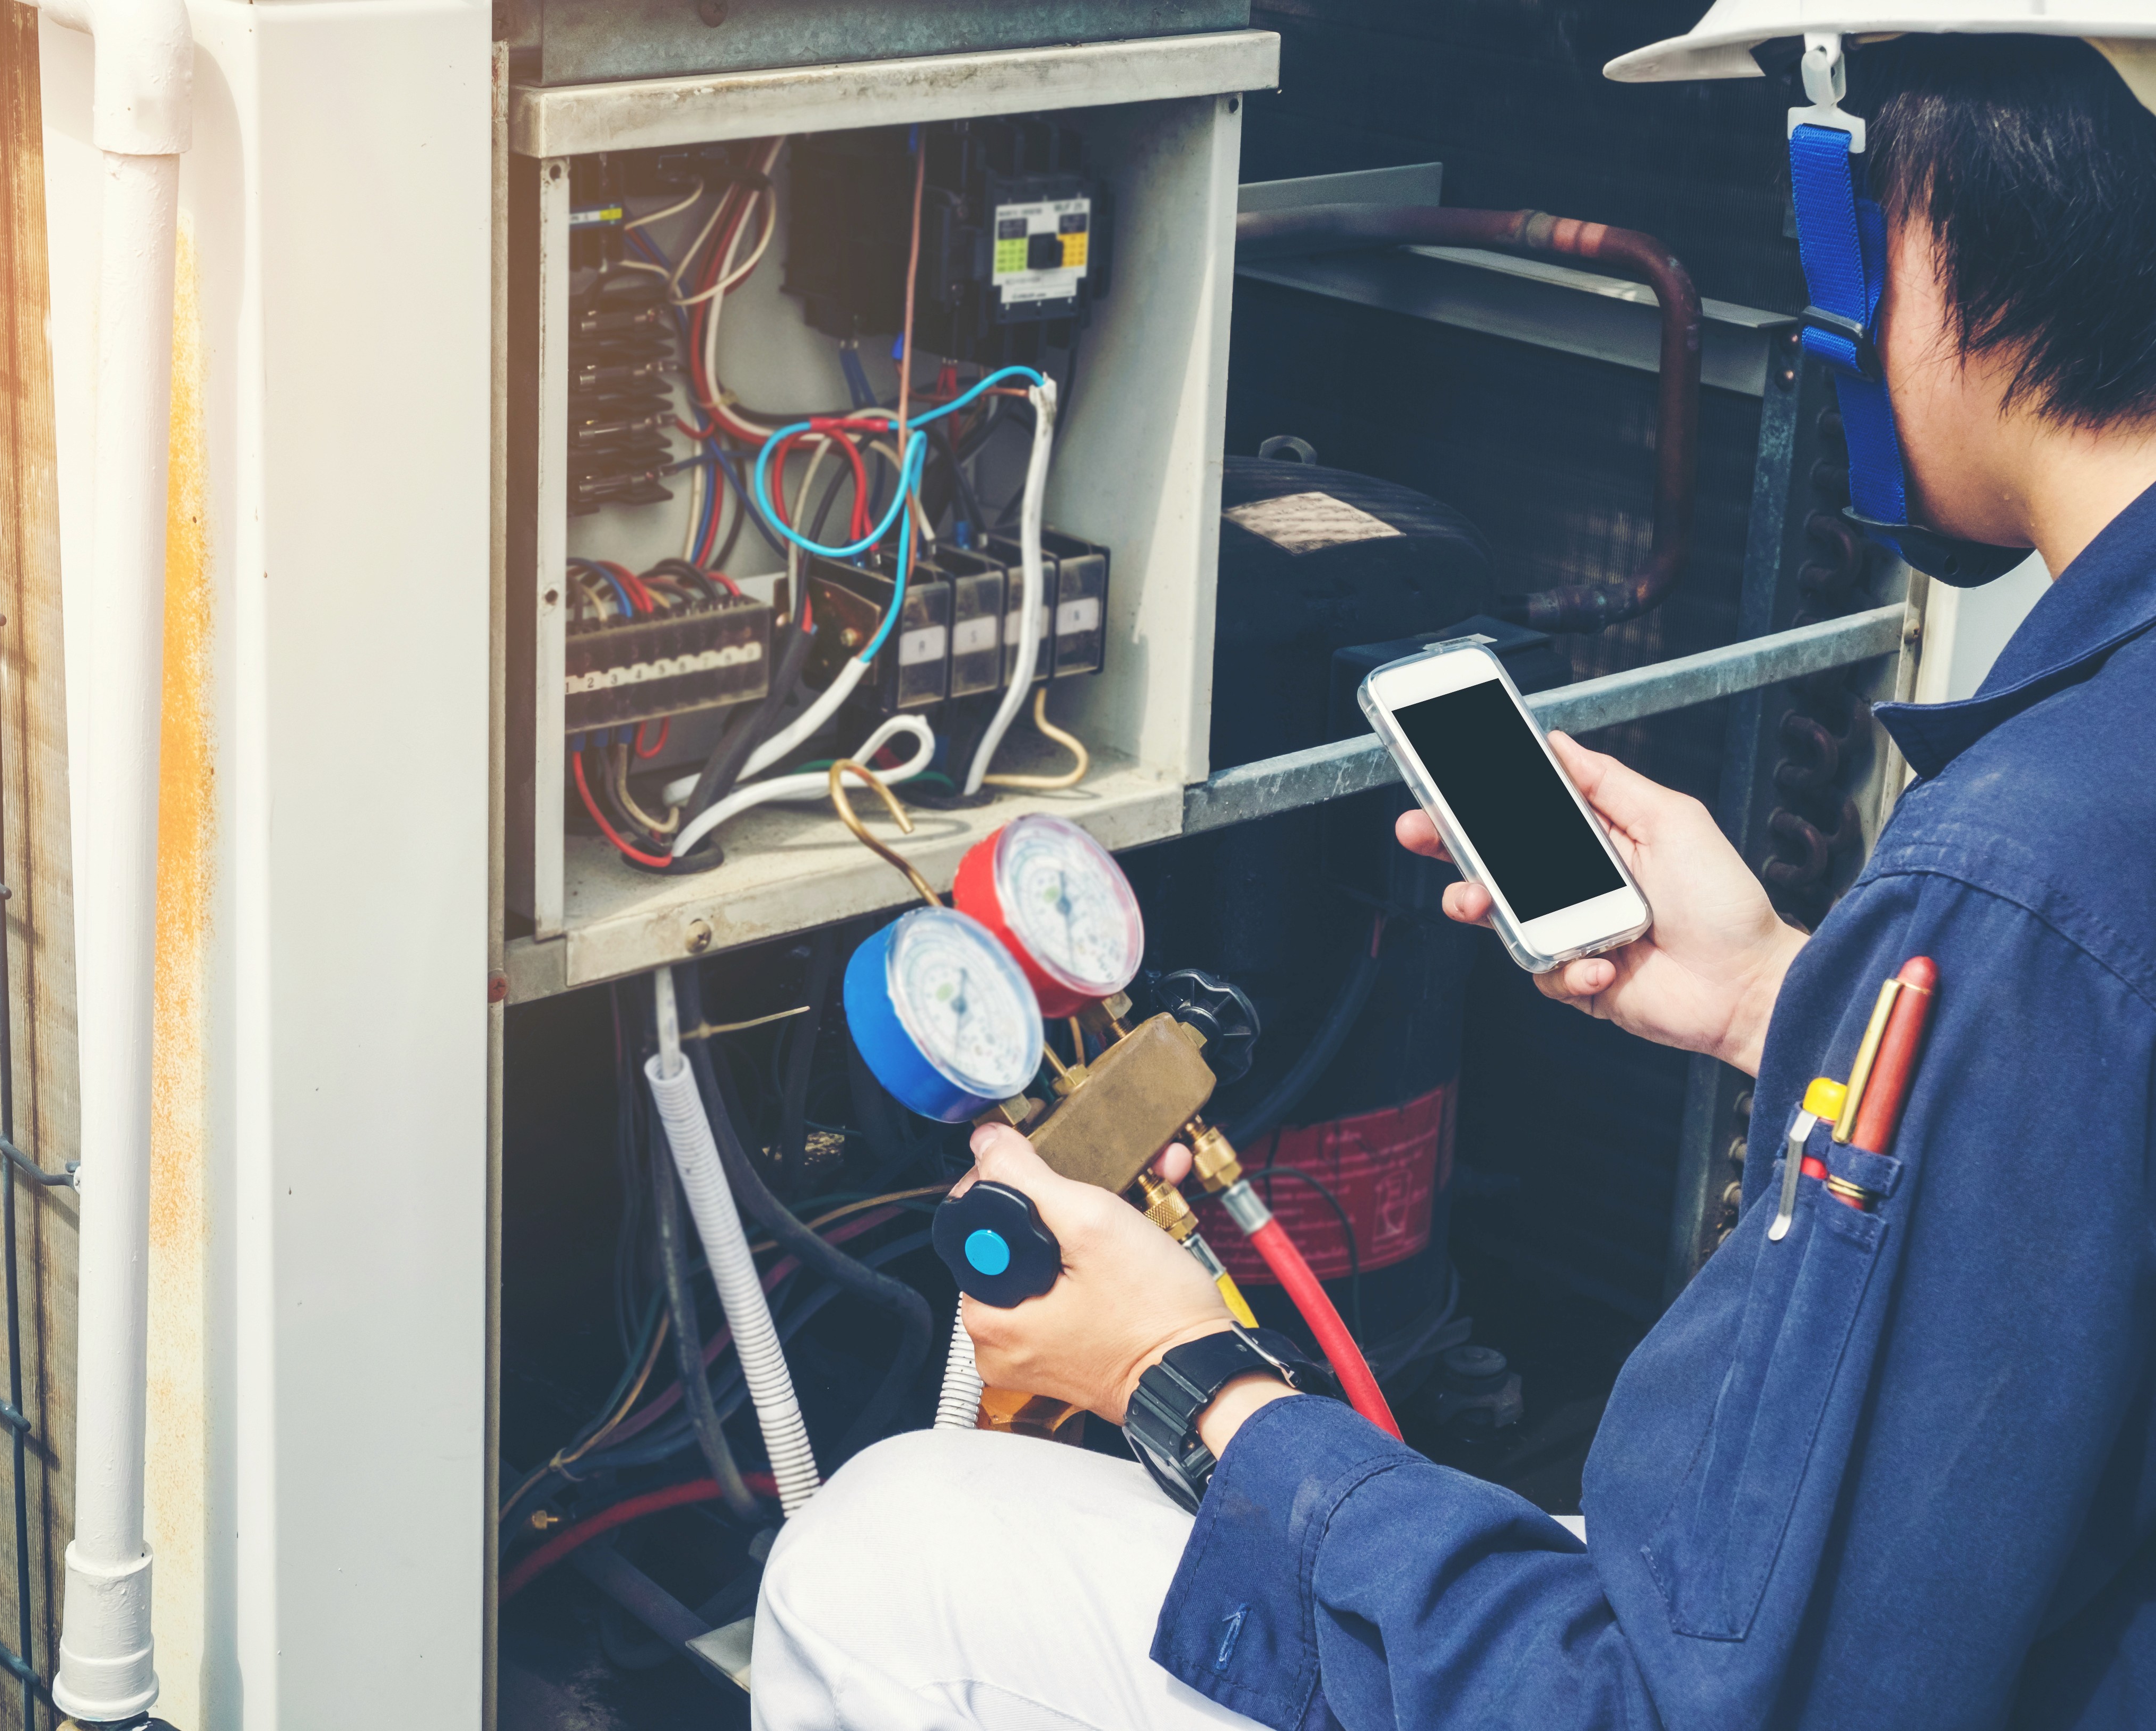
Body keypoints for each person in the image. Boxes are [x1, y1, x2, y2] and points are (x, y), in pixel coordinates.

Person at [754, 18, 2156, 1731]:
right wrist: (1781, 994)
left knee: (881, 1551)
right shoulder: (2079, 834)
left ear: (1904, 219)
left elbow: (1688, 1706)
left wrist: (1193, 1384)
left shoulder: (2028, 873)